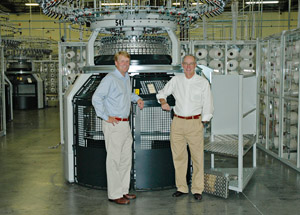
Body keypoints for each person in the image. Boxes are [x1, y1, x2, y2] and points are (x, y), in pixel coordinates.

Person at [156, 54, 213, 201]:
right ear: (182, 65)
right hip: (178, 123)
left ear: (195, 65)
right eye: (185, 64)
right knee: (179, 157)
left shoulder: (202, 82)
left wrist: (203, 122)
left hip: (195, 123)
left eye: (191, 64)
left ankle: (197, 189)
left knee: (197, 158)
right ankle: (181, 187)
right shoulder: (176, 80)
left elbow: (208, 104)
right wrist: (163, 102)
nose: (188, 67)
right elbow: (161, 93)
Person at [92, 51, 144, 205]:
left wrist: (138, 98)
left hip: (124, 124)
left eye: (127, 62)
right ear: (116, 63)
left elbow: (127, 95)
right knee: (114, 160)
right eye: (122, 61)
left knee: (125, 159)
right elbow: (96, 98)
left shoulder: (125, 77)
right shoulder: (110, 79)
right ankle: (114, 194)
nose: (125, 64)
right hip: (114, 125)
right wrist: (106, 116)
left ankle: (123, 190)